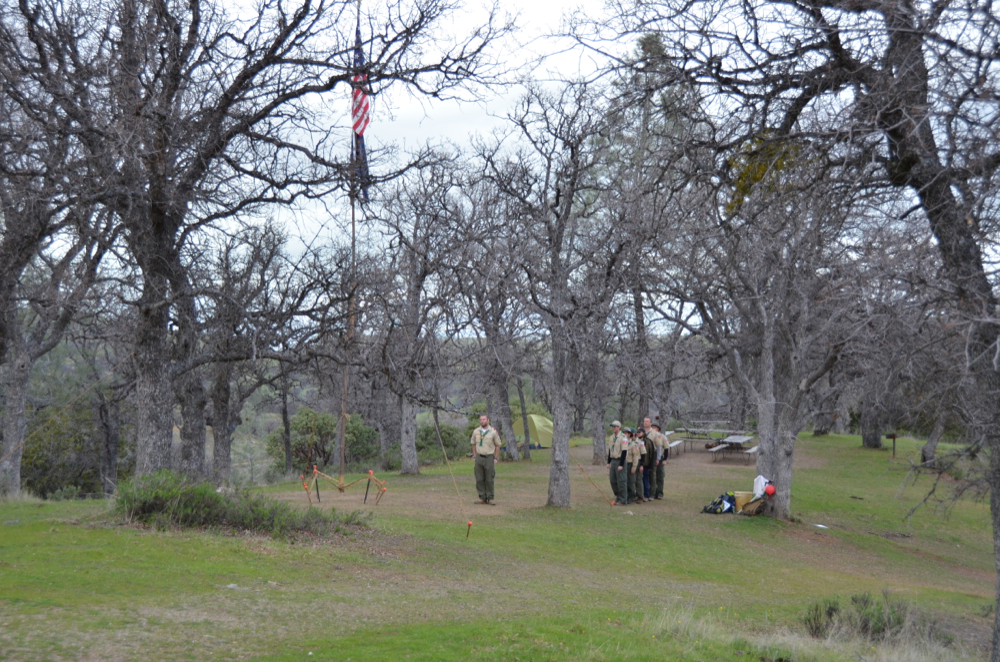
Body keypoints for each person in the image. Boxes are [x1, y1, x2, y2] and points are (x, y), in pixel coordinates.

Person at [470, 413, 501, 504]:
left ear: (488, 420)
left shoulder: (493, 431)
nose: (482, 421)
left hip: (489, 457)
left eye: (484, 419)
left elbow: (498, 445)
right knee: (479, 478)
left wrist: (495, 458)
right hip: (479, 457)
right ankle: (482, 497)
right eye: (481, 419)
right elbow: (473, 444)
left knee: (489, 479)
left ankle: (490, 498)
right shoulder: (476, 431)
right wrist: (475, 455)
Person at [644, 418, 667, 500]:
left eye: (647, 421)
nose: (645, 423)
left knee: (656, 476)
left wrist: (660, 458)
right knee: (645, 475)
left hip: (654, 455)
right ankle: (646, 493)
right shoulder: (643, 432)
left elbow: (662, 447)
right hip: (644, 455)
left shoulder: (657, 435)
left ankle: (655, 493)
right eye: (644, 421)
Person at [606, 420, 628, 505]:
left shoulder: (623, 437)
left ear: (619, 427)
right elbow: (610, 450)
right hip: (613, 460)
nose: (613, 428)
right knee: (613, 480)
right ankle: (618, 496)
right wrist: (608, 462)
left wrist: (621, 464)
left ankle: (623, 499)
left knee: (621, 481)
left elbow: (624, 451)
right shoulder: (612, 437)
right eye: (612, 426)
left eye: (615, 426)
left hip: (620, 460)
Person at [625, 428, 643, 503]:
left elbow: (639, 455)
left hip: (634, 463)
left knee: (634, 481)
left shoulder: (636, 443)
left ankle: (635, 496)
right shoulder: (624, 442)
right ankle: (627, 496)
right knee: (626, 481)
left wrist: (637, 466)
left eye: (627, 433)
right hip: (625, 463)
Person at [639, 425, 656, 500]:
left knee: (645, 479)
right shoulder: (635, 441)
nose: (638, 433)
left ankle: (646, 495)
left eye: (640, 432)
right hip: (637, 464)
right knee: (638, 480)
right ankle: (639, 494)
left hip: (645, 464)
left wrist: (650, 465)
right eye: (637, 432)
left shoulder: (648, 441)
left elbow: (652, 454)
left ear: (643, 433)